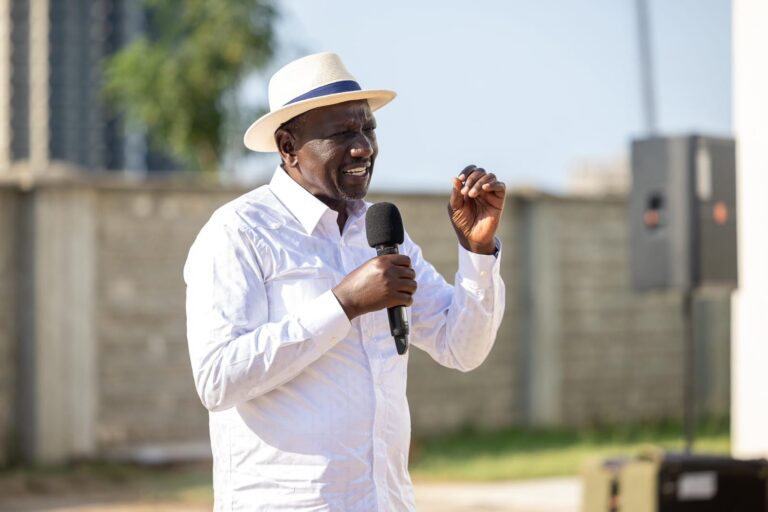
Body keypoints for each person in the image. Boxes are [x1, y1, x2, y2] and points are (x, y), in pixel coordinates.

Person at [184, 52, 506, 511]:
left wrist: (477, 253)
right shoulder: (239, 232)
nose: (364, 147)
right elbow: (217, 380)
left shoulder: (380, 232)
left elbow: (463, 348)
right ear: (287, 146)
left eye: (368, 129)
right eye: (342, 134)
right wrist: (343, 304)